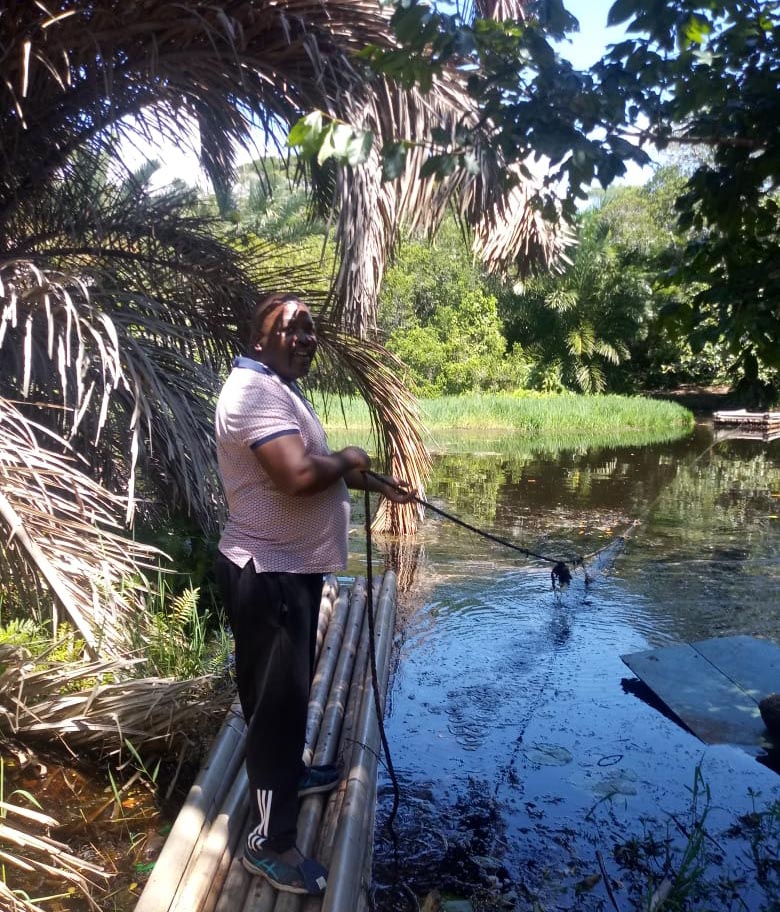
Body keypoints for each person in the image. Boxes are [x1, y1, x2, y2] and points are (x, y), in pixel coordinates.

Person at [214, 291, 413, 896]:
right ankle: (268, 843)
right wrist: (350, 455)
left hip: (291, 570)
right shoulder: (250, 393)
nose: (306, 338)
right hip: (265, 572)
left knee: (290, 690)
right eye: (292, 328)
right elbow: (300, 475)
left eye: (311, 329)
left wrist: (375, 481)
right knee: (275, 707)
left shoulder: (278, 388)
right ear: (259, 338)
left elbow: (317, 461)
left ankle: (291, 779)